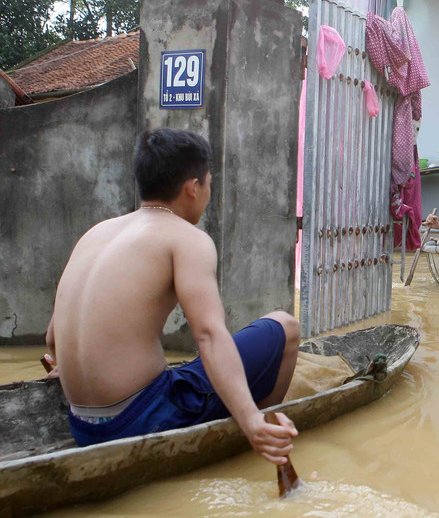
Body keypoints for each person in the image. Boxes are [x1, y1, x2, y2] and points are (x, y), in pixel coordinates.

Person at [42, 128, 299, 464]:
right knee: (285, 326)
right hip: (140, 419)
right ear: (193, 188)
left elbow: (52, 339)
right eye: (208, 182)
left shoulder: (97, 233)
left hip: (82, 425)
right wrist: (249, 418)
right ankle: (263, 435)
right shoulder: (187, 239)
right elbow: (208, 335)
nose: (208, 191)